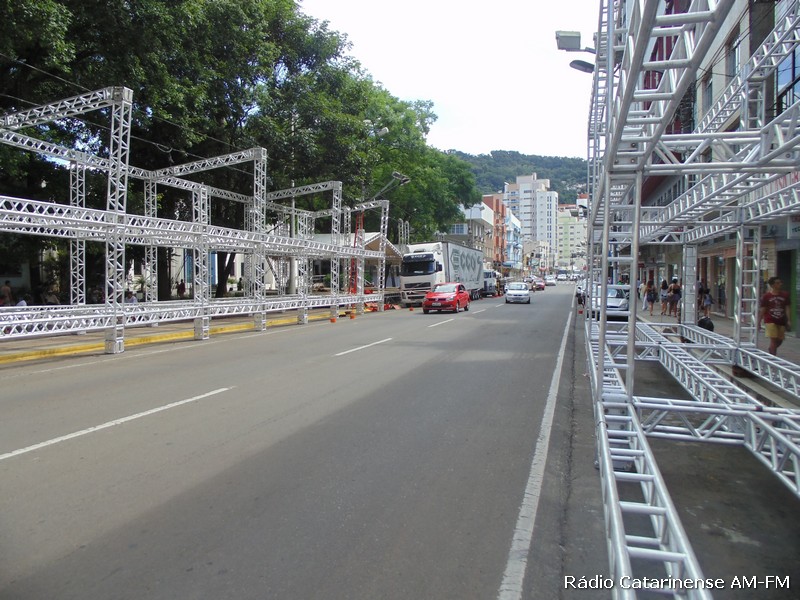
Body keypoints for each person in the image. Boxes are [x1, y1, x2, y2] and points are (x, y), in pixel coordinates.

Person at [758, 276, 791, 355]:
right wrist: (759, 321)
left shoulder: (785, 295)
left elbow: (787, 308)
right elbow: (763, 309)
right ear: (772, 285)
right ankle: (773, 357)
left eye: (780, 283)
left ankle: (771, 349)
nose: (780, 284)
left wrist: (789, 320)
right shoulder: (767, 296)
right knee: (773, 339)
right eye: (778, 283)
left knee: (780, 340)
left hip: (781, 320)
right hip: (770, 320)